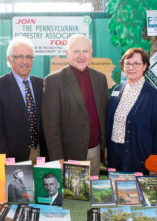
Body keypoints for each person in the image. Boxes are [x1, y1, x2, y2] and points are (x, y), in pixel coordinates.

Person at [42, 34, 108, 176]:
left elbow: (103, 116)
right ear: (67, 53)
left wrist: (105, 145)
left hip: (95, 151)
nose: (81, 56)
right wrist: (57, 158)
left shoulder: (100, 79)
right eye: (76, 51)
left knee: (92, 193)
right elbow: (51, 125)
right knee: (73, 197)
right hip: (69, 154)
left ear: (91, 54)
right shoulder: (54, 81)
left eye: (85, 51)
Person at [0, 36, 46, 163]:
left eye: (29, 57)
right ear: (9, 59)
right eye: (19, 56)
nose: (25, 61)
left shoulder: (42, 84)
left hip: (42, 154)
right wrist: (5, 161)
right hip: (13, 158)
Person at [106, 48, 157, 175]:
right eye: (127, 64)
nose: (131, 67)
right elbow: (109, 122)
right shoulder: (117, 90)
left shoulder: (153, 95)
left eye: (136, 64)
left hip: (138, 157)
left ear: (145, 66)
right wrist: (106, 148)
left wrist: (155, 164)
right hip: (114, 156)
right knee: (115, 191)